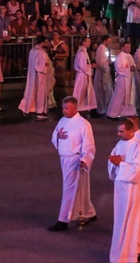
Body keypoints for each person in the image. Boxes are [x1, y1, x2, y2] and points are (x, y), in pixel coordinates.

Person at [108, 119, 140, 263]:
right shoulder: (120, 144)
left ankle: (126, 256)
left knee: (131, 220)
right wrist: (114, 164)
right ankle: (138, 248)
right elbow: (112, 162)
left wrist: (120, 164)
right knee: (122, 219)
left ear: (131, 131)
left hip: (133, 188)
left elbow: (139, 170)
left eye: (121, 131)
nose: (118, 134)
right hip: (120, 187)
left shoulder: (139, 146)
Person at [48, 97, 97, 232]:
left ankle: (62, 220)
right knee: (79, 188)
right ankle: (89, 212)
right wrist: (58, 136)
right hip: (64, 159)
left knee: (68, 189)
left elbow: (89, 145)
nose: (64, 111)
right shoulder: (63, 121)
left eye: (67, 108)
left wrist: (85, 159)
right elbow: (54, 137)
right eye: (63, 108)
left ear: (75, 108)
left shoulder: (83, 124)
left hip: (75, 160)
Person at [19, 36, 53, 120]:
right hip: (40, 76)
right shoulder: (41, 52)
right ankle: (39, 111)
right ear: (43, 42)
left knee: (32, 92)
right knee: (40, 93)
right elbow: (42, 66)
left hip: (33, 75)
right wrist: (48, 67)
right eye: (47, 42)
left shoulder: (32, 50)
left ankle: (30, 108)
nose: (48, 44)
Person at [107, 41, 137, 119]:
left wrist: (133, 67)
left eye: (129, 47)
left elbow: (133, 65)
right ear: (122, 48)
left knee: (129, 96)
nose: (128, 49)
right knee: (119, 96)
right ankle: (112, 113)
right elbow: (119, 69)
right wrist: (128, 69)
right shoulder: (119, 57)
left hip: (129, 79)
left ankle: (128, 112)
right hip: (122, 79)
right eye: (127, 47)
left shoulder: (130, 56)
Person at [72, 36, 96, 113]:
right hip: (82, 75)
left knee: (83, 92)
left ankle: (83, 106)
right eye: (88, 41)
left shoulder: (84, 51)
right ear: (83, 42)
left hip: (84, 75)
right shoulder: (82, 53)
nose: (89, 43)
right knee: (80, 91)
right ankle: (78, 107)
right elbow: (83, 66)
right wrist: (91, 66)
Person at [93, 35, 113, 116]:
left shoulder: (104, 49)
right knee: (102, 91)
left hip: (105, 72)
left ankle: (106, 108)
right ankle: (102, 109)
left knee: (107, 91)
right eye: (109, 41)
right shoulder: (101, 48)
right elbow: (101, 63)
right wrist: (107, 62)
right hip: (102, 74)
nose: (110, 42)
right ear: (105, 40)